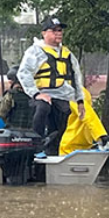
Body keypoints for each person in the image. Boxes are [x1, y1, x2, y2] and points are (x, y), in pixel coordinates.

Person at [17, 16, 85, 155]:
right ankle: (36, 143)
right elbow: (24, 73)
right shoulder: (35, 51)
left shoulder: (68, 54)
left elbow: (76, 77)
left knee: (62, 121)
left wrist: (80, 100)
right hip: (40, 95)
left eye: (60, 30)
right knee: (43, 107)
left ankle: (53, 153)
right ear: (44, 33)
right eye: (54, 30)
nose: (58, 33)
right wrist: (36, 94)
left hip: (64, 97)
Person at [59, 87, 109, 155]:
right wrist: (99, 135)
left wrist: (100, 135)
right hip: (79, 146)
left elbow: (86, 113)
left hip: (71, 147)